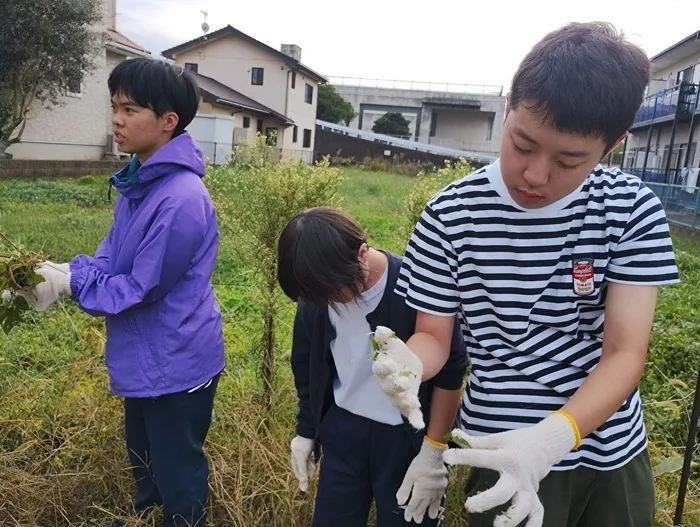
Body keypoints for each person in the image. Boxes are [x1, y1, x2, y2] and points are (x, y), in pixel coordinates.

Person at [371, 22, 680, 527]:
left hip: (607, 453)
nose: (535, 174)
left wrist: (551, 440)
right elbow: (434, 337)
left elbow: (625, 353)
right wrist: (409, 364)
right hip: (500, 457)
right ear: (509, 103)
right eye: (522, 143)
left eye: (568, 160)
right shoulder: (451, 215)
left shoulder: (629, 209)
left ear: (614, 144)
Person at [8, 58, 225, 527]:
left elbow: (139, 288)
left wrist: (70, 283)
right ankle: (144, 518)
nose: (117, 120)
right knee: (145, 464)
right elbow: (111, 256)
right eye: (114, 107)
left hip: (176, 362)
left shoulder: (180, 198)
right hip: (147, 357)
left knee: (177, 474)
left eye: (130, 109)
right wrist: (63, 273)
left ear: (168, 122)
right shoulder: (139, 182)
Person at [277, 207, 468, 527]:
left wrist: (434, 450)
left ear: (362, 254)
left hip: (405, 443)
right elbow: (305, 361)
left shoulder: (415, 287)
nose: (326, 303)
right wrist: (306, 430)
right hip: (343, 435)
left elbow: (452, 371)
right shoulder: (318, 292)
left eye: (334, 293)